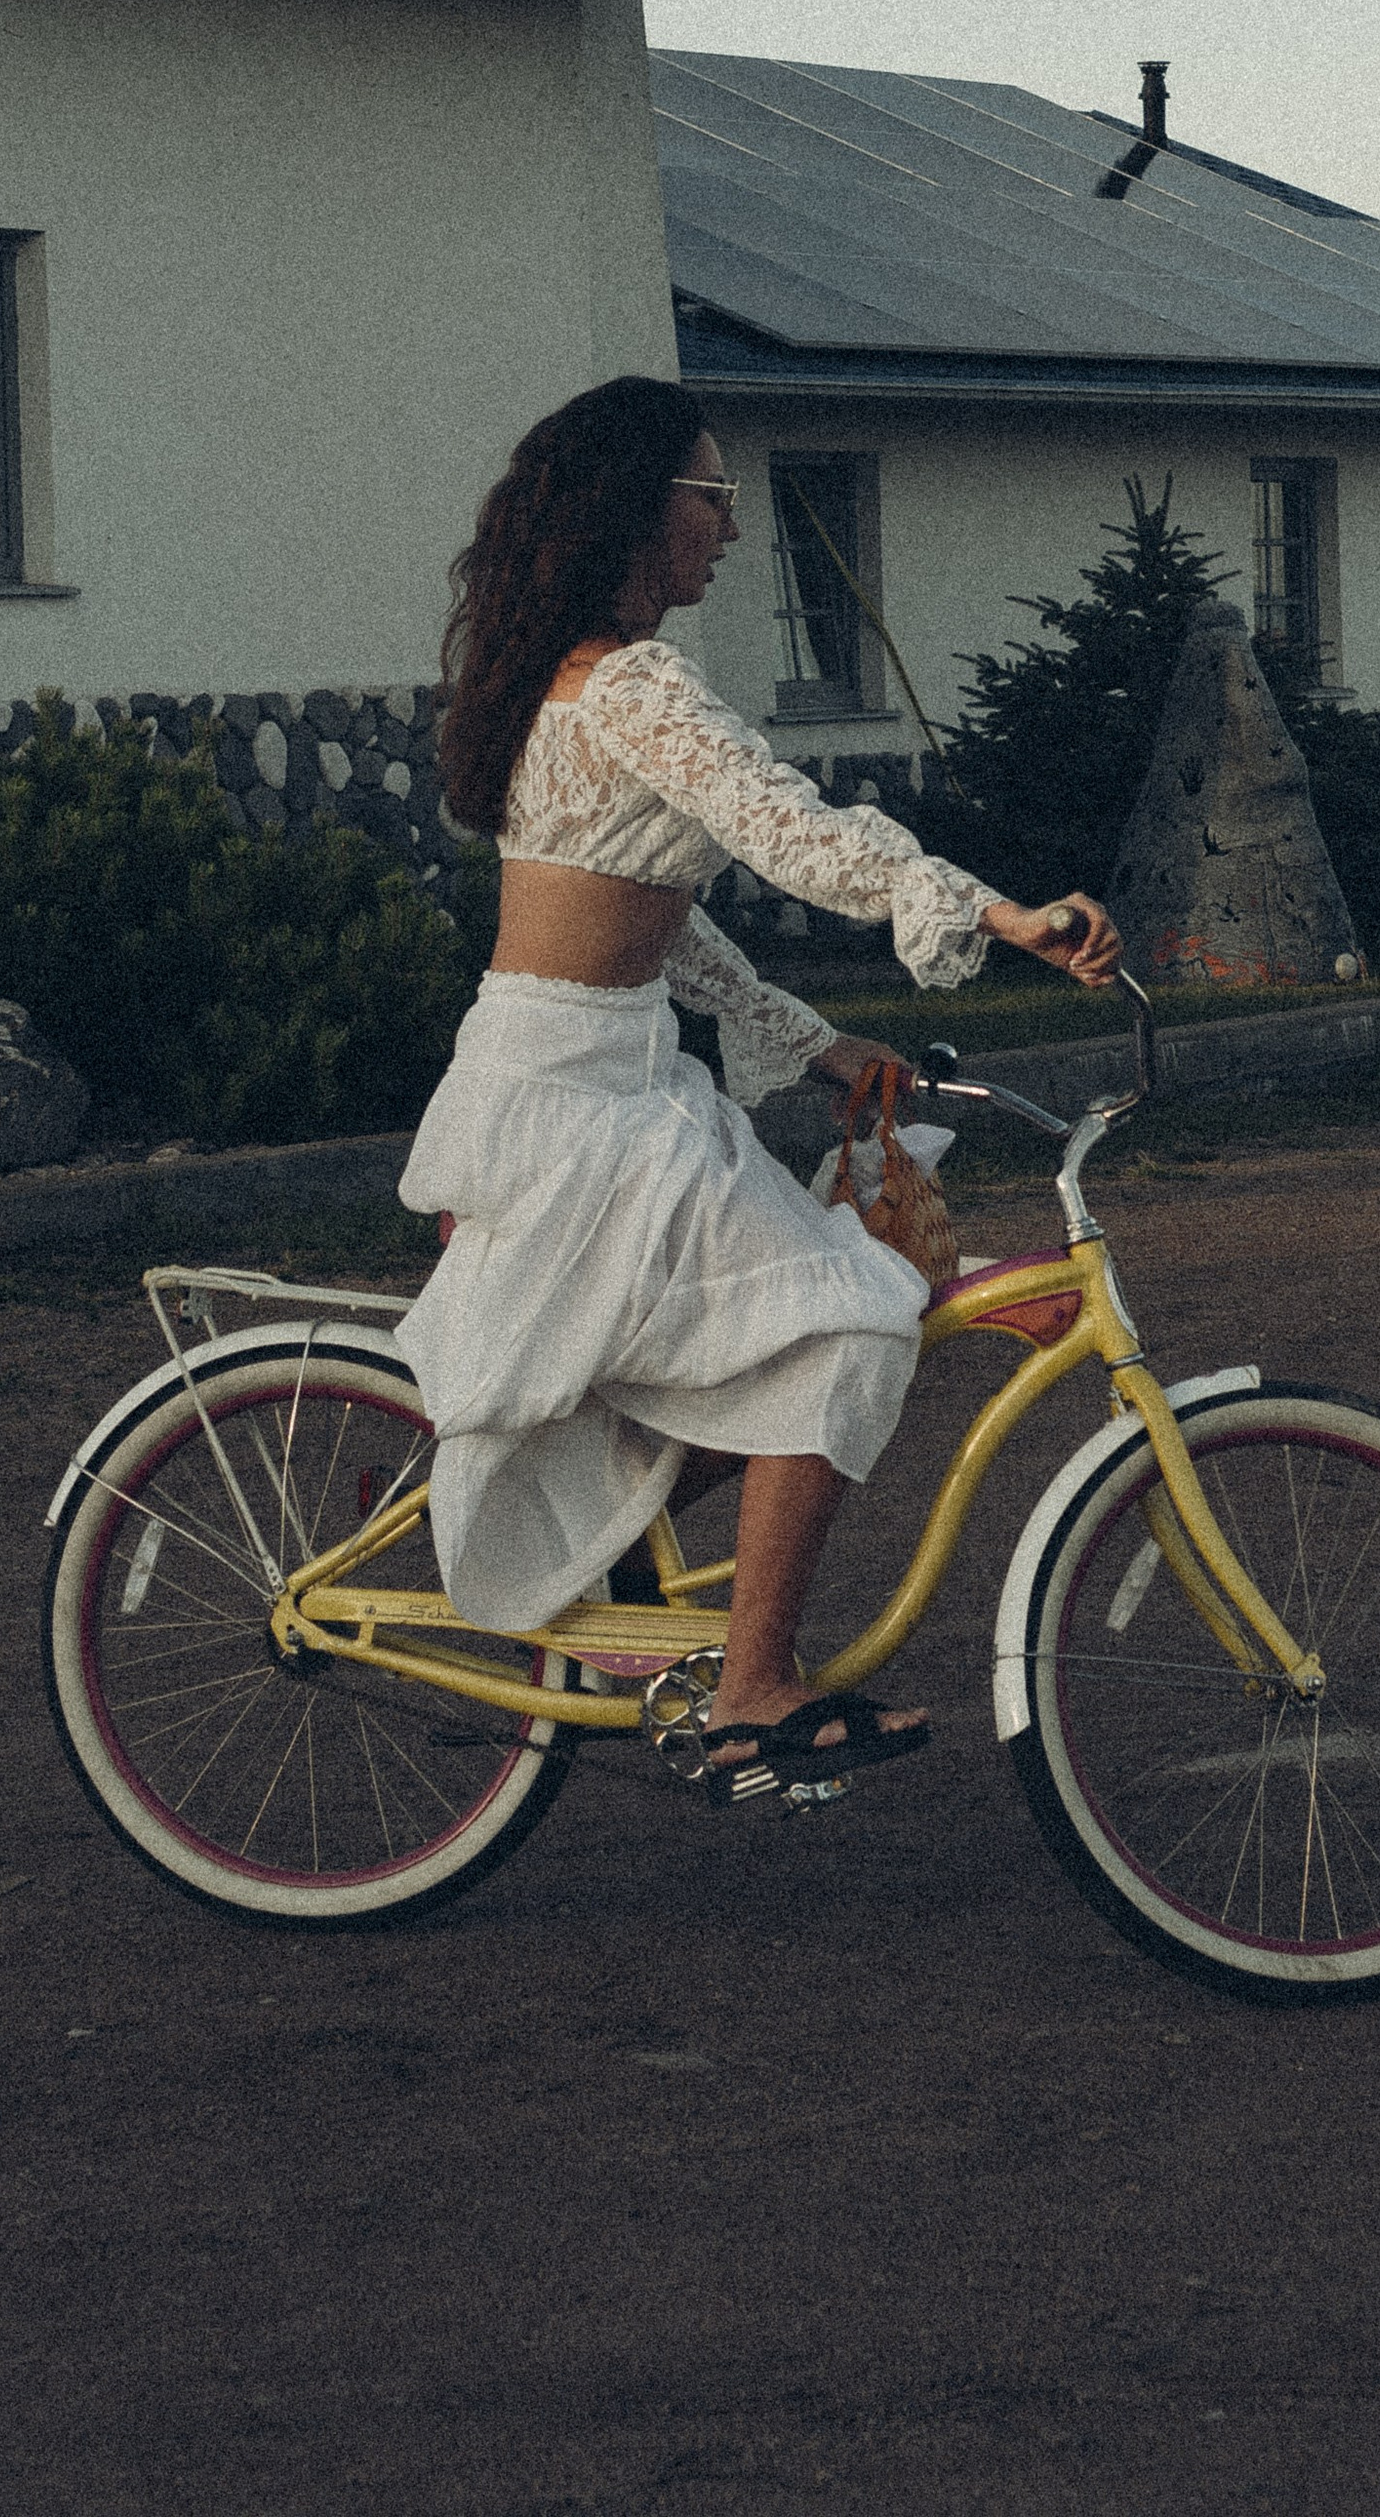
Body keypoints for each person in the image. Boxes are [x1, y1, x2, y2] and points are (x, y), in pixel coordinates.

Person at [393, 376, 1122, 1801]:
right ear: (639, 508)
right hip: (582, 1115)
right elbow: (791, 835)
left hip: (571, 1084)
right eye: (713, 497)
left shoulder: (574, 684)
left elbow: (663, 909)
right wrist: (995, 912)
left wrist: (814, 1039)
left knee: (778, 1329)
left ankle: (619, 1576)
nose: (730, 527)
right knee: (859, 1318)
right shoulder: (634, 688)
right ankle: (751, 1690)